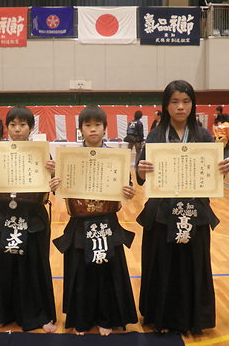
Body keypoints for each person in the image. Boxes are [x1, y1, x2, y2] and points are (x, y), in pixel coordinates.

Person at [136, 80, 229, 334]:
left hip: (195, 211)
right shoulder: (155, 135)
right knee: (163, 263)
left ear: (193, 105)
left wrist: (223, 168)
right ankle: (163, 318)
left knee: (194, 264)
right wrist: (142, 169)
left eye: (186, 101)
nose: (180, 107)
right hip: (161, 212)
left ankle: (194, 318)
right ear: (166, 106)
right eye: (175, 102)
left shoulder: (203, 136)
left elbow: (211, 175)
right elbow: (140, 176)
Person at [52, 105, 138, 336]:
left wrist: (129, 190)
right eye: (87, 125)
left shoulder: (115, 157)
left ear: (105, 128)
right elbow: (60, 187)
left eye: (97, 125)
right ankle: (82, 320)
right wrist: (54, 186)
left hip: (107, 222)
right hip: (80, 223)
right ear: (80, 129)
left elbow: (126, 184)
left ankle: (106, 318)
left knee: (107, 273)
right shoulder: (69, 158)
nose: (93, 130)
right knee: (82, 273)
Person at [0, 106, 58, 333]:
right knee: (4, 266)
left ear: (31, 128)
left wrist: (53, 171)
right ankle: (3, 313)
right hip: (5, 214)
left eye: (23, 125)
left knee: (33, 265)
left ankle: (39, 315)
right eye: (12, 125)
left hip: (33, 217)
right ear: (7, 127)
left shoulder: (42, 152)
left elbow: (54, 184)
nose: (17, 129)